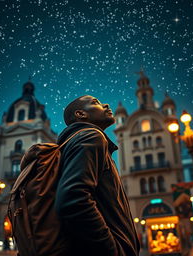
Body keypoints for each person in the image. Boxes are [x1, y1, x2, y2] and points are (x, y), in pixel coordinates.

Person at [55, 95, 140, 256]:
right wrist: (112, 250)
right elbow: (73, 199)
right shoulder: (91, 136)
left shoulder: (77, 141)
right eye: (96, 103)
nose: (107, 104)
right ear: (81, 114)